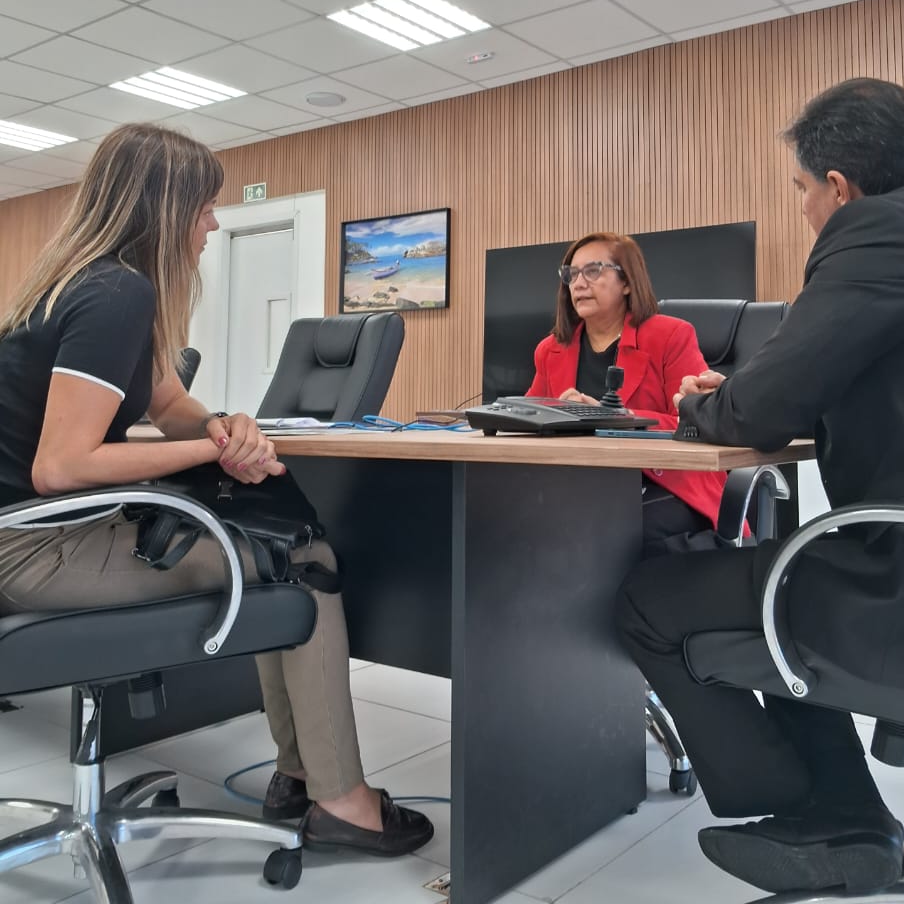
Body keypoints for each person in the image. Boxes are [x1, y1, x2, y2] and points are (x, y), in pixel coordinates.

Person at [0, 123, 433, 859]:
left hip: (32, 533)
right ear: (165, 209)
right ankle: (342, 801)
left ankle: (300, 775)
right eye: (204, 206)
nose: (212, 223)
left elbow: (167, 403)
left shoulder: (88, 281)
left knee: (267, 546)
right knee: (303, 558)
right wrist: (215, 451)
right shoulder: (118, 292)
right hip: (36, 548)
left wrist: (222, 425)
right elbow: (61, 467)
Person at [616, 78, 904, 897]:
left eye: (802, 191)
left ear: (838, 187)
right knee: (778, 570)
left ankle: (824, 823)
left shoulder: (881, 230)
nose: (804, 209)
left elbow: (764, 410)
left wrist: (703, 402)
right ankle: (844, 814)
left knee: (648, 600)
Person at [528, 232, 724, 554]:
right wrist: (550, 416)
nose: (578, 283)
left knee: (596, 531)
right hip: (575, 483)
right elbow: (529, 421)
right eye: (571, 274)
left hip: (662, 483)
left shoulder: (671, 336)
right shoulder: (551, 350)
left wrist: (616, 419)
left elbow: (696, 422)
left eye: (593, 271)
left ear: (627, 282)